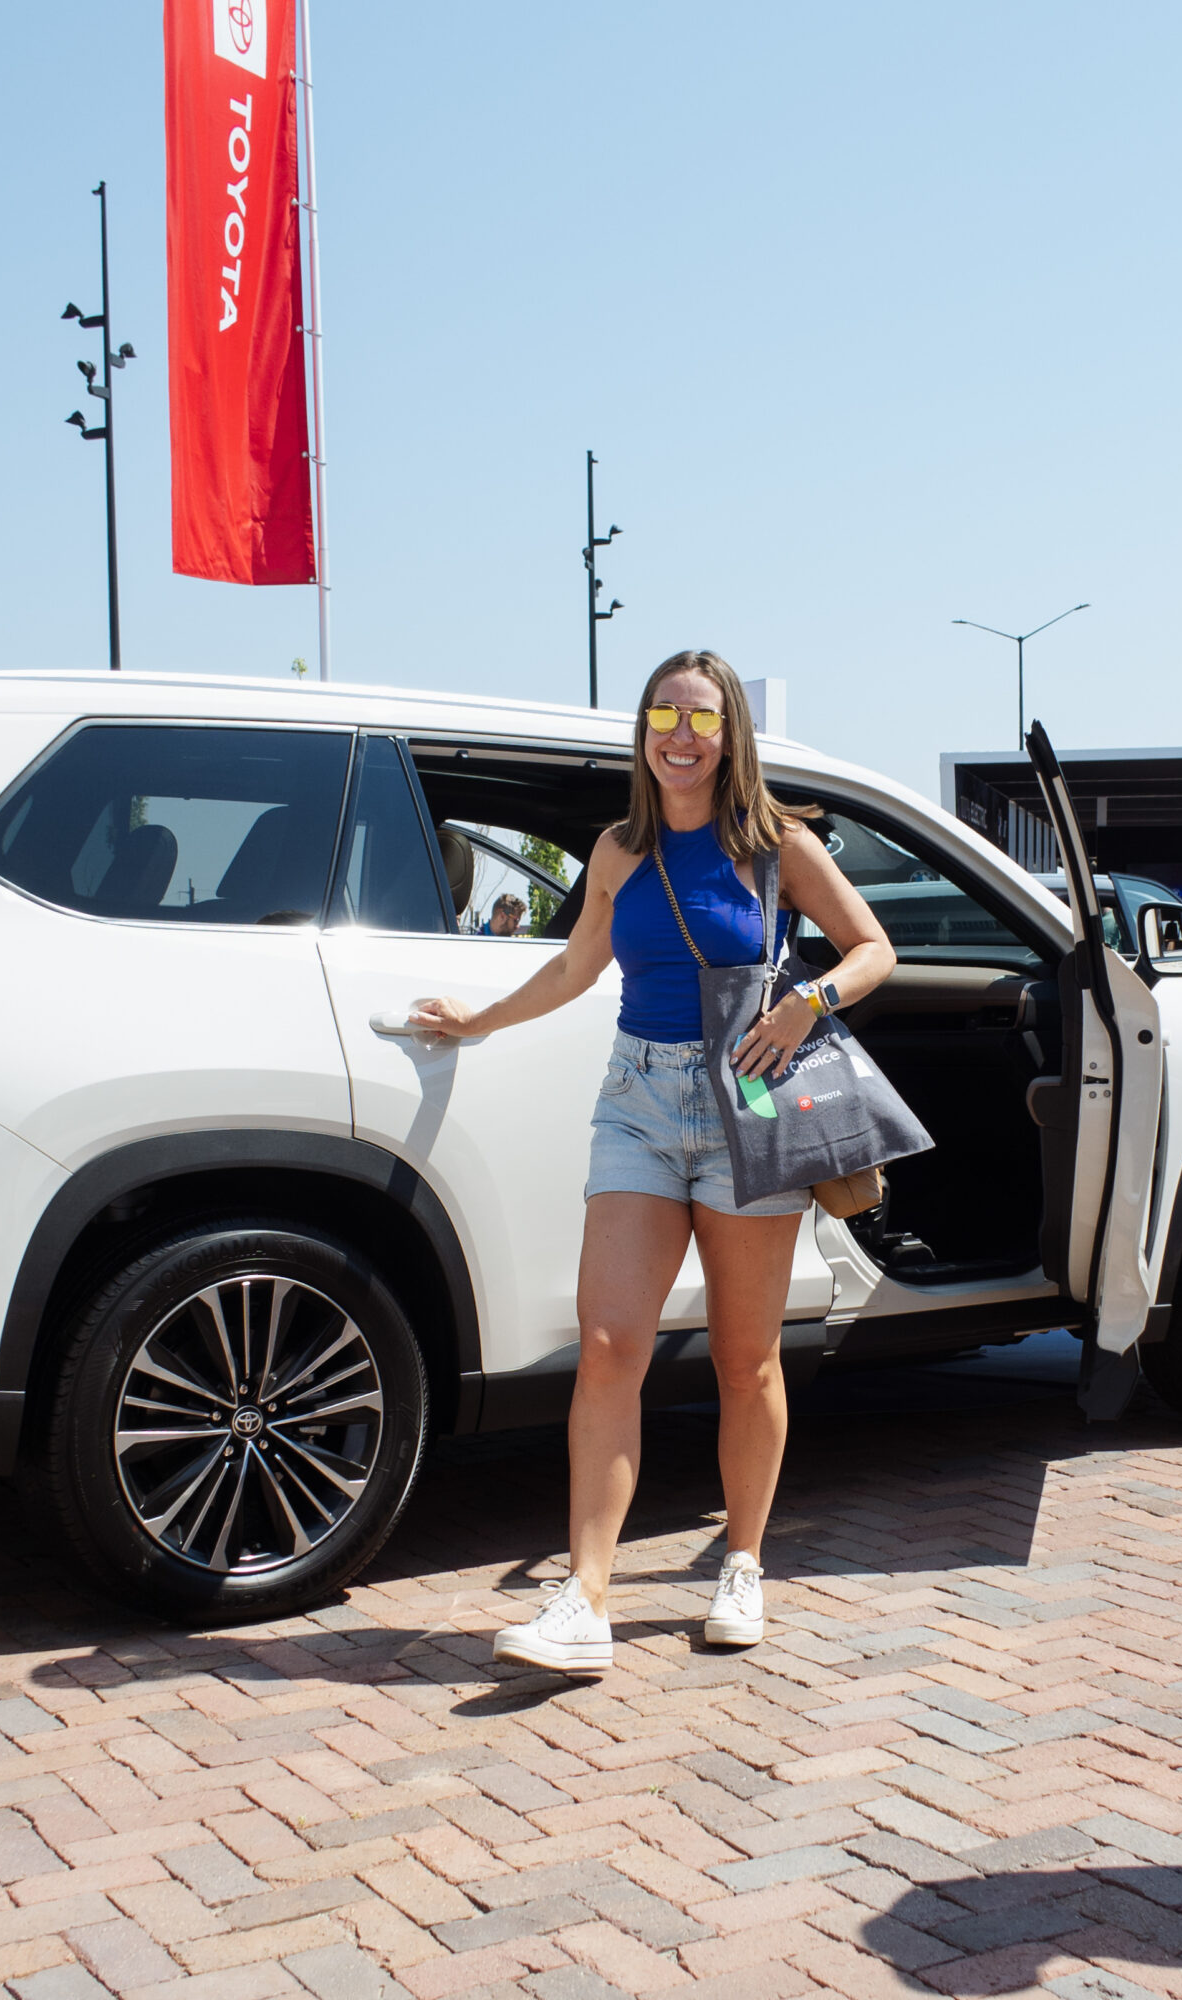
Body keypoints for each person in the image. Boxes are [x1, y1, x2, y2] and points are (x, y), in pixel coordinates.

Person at [410, 651, 895, 1672]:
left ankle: (744, 1561)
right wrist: (480, 1019)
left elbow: (870, 947)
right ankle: (585, 1598)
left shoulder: (777, 845)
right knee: (607, 1342)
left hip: (746, 1100)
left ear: (730, 735)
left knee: (744, 1356)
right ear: (643, 731)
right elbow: (579, 963)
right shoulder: (619, 848)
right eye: (663, 713)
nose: (680, 732)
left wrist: (807, 1000)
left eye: (701, 715)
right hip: (635, 1099)